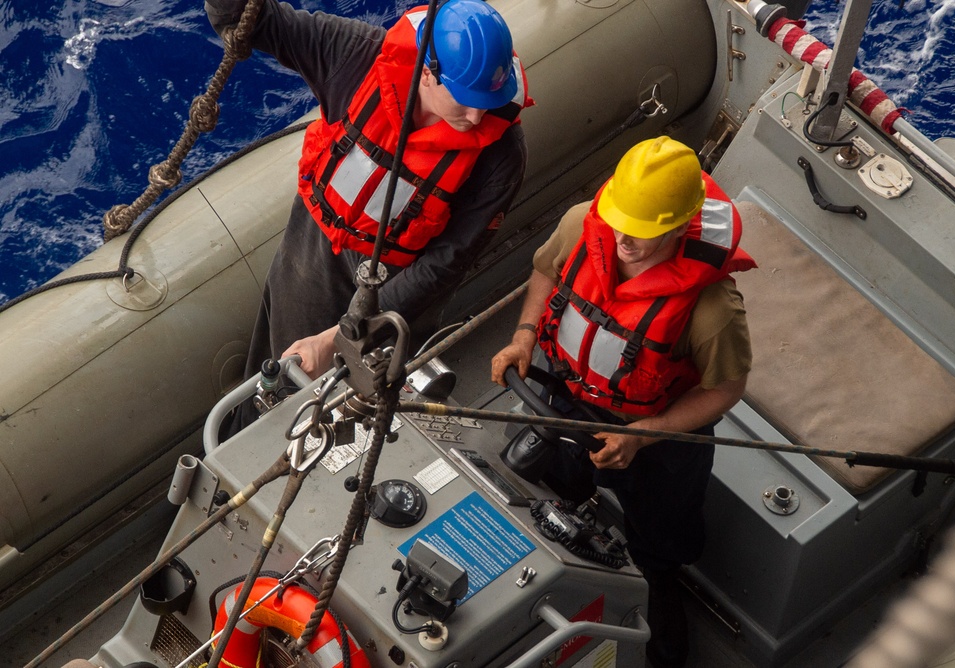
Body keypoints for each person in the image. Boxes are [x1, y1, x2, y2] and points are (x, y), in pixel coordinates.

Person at [490, 136, 755, 667]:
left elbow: (725, 389)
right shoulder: (583, 222)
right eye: (620, 223)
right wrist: (523, 336)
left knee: (660, 540)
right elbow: (547, 270)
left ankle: (659, 592)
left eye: (644, 232)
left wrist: (643, 434)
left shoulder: (712, 307)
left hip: (657, 439)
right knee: (549, 485)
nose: (624, 240)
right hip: (567, 401)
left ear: (680, 227)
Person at [205, 0, 531, 430]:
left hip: (396, 298)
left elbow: (445, 265)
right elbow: (246, 20)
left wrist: (341, 336)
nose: (477, 116)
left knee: (360, 419)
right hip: (310, 261)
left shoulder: (501, 155)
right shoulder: (355, 57)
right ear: (428, 72)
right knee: (275, 380)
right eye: (466, 98)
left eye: (488, 100)